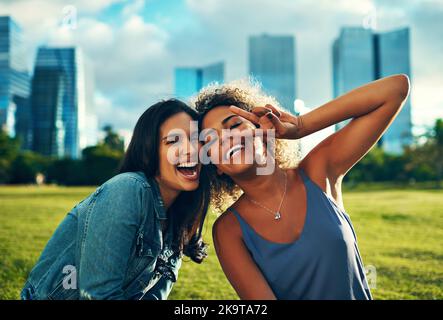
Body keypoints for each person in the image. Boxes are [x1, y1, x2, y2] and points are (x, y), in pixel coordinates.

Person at [195, 75, 410, 299]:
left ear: (261, 128)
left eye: (235, 125)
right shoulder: (229, 230)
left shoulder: (319, 171)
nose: (227, 139)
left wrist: (301, 125)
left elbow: (395, 89)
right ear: (216, 166)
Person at [21, 99, 210, 300]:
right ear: (149, 151)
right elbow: (99, 295)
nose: (190, 149)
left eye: (196, 139)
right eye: (173, 141)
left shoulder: (177, 220)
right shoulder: (128, 188)